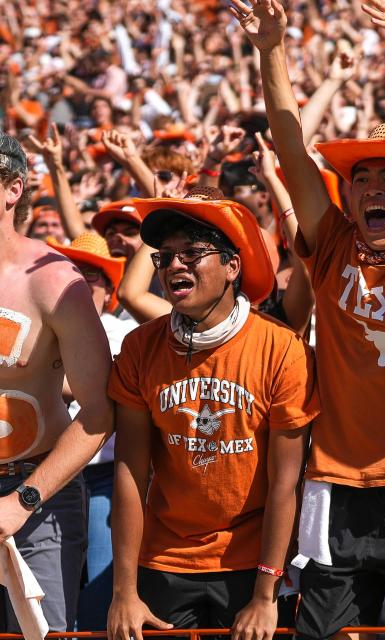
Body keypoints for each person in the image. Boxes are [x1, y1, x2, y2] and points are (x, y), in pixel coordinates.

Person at [234, 0, 385, 636]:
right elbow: (290, 148)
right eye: (361, 176)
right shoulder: (334, 243)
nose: (372, 187)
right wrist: (271, 52)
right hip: (333, 484)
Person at [105, 188, 320, 640]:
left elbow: (287, 482)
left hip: (251, 562)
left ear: (232, 267)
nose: (175, 265)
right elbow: (129, 470)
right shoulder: (140, 348)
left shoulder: (282, 349)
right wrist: (124, 591)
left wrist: (266, 594)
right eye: (165, 258)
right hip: (163, 559)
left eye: (192, 254)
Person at [0, 134, 114, 633]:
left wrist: (23, 499)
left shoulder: (52, 281)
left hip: (36, 501)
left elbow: (98, 412)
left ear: (13, 189)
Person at [48, 232, 137, 631]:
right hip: (48, 472)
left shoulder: (121, 331)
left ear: (110, 289)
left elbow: (102, 387)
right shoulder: (47, 327)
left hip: (105, 475)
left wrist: (49, 379)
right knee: (50, 579)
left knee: (103, 577)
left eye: (93, 276)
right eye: (74, 275)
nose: (83, 283)